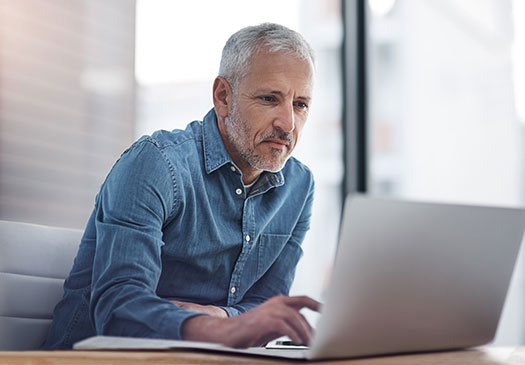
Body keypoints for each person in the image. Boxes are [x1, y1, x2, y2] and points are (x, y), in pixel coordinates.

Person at [42, 23, 320, 350]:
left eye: (300, 104)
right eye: (269, 98)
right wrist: (224, 331)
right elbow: (118, 308)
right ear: (223, 97)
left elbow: (266, 303)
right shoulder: (157, 164)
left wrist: (222, 317)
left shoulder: (299, 187)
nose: (287, 124)